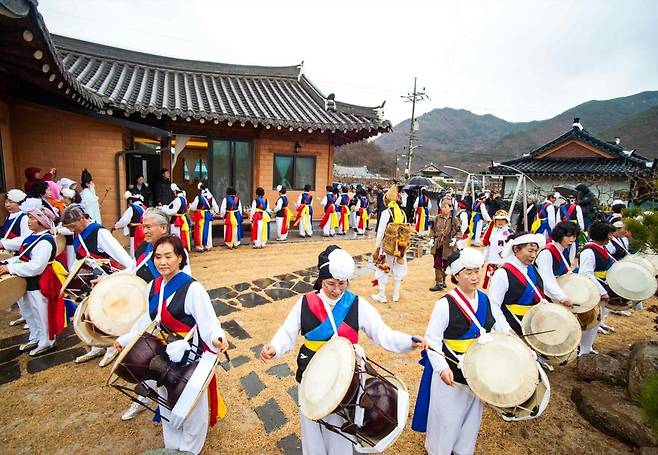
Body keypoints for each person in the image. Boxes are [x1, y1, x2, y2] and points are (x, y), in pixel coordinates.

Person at [260, 245, 426, 455]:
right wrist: (274, 347)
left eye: (342, 284)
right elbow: (287, 331)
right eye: (330, 284)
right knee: (312, 430)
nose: (336, 290)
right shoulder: (305, 303)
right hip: (312, 376)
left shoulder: (357, 304)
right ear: (321, 280)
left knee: (341, 431)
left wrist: (409, 341)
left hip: (346, 380)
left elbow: (383, 334)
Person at [115, 235, 229, 454]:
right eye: (158, 257)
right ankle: (172, 448)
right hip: (161, 355)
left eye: (168, 256)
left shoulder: (192, 288)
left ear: (180, 258)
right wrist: (125, 339)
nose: (162, 262)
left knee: (192, 410)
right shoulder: (153, 286)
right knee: (166, 403)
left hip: (190, 358)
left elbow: (209, 322)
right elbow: (145, 320)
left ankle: (189, 451)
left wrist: (216, 337)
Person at [412, 248, 513, 455]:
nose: (475, 277)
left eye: (477, 271)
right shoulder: (445, 304)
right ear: (456, 275)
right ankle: (438, 450)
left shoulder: (485, 300)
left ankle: (463, 450)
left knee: (471, 416)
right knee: (447, 417)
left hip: (477, 370)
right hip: (452, 369)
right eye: (468, 272)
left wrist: (507, 334)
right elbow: (432, 340)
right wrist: (441, 368)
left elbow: (495, 326)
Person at [61, 205, 134, 365]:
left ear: (81, 219)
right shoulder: (78, 235)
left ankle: (112, 347)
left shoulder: (100, 233)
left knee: (111, 315)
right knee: (94, 314)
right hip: (93, 281)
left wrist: (116, 278)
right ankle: (97, 346)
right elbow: (80, 259)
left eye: (72, 225)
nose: (72, 230)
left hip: (109, 281)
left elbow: (126, 261)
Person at [0, 198, 66, 356]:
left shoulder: (45, 241)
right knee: (29, 311)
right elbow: (22, 250)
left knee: (40, 311)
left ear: (41, 221)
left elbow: (35, 267)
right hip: (26, 282)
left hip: (40, 282)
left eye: (31, 218)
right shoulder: (33, 237)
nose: (28, 220)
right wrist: (8, 260)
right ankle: (36, 336)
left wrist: (10, 267)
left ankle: (46, 341)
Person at [488, 232, 546, 337]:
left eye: (535, 251)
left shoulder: (533, 269)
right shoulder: (502, 274)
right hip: (512, 327)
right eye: (530, 251)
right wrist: (505, 328)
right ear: (516, 249)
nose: (533, 255)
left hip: (534, 327)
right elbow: (494, 305)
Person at [578, 222, 617, 344]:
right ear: (602, 235)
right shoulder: (589, 251)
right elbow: (585, 273)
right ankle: (583, 350)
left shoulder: (600, 248)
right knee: (589, 322)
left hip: (600, 286)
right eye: (610, 234)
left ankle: (587, 348)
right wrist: (602, 291)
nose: (611, 237)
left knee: (596, 321)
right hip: (592, 290)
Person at [371, 185, 407, 304]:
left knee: (383, 269)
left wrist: (377, 247)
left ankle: (382, 296)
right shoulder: (402, 212)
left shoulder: (386, 213)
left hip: (388, 246)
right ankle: (395, 295)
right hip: (401, 246)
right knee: (398, 269)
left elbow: (381, 232)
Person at [535, 221, 578, 309]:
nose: (572, 239)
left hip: (556, 290)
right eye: (568, 236)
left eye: (574, 236)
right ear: (560, 235)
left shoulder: (563, 249)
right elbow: (546, 278)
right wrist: (562, 297)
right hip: (545, 294)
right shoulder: (547, 253)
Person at [429, 199, 460, 292]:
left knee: (447, 265)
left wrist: (455, 239)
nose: (443, 209)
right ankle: (439, 283)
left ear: (450, 208)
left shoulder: (455, 219)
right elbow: (432, 229)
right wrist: (431, 239)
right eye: (442, 207)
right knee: (437, 264)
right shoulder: (437, 218)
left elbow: (459, 231)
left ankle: (443, 279)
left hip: (449, 246)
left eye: (445, 207)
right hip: (438, 244)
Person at [482, 210, 513, 289]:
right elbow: (488, 246)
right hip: (493, 261)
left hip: (505, 263)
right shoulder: (491, 232)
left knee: (503, 283)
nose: (500, 222)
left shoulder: (510, 233)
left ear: (506, 221)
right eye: (498, 219)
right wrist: (483, 260)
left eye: (502, 219)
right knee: (492, 284)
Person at [113, 191, 147, 259]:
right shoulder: (145, 208)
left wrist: (116, 226)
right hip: (145, 230)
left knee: (134, 252)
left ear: (131, 200)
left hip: (135, 231)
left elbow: (124, 221)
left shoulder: (133, 208)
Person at [189, 182, 219, 252]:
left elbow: (193, 208)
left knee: (199, 231)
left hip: (200, 216)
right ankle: (208, 246)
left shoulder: (198, 197)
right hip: (208, 215)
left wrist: (190, 205)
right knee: (208, 231)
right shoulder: (211, 197)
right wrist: (212, 213)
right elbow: (217, 209)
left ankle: (200, 246)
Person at [162, 184, 191, 251]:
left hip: (176, 220)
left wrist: (162, 209)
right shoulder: (183, 198)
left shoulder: (178, 199)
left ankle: (178, 250)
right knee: (180, 235)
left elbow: (173, 211)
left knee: (176, 236)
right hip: (181, 219)